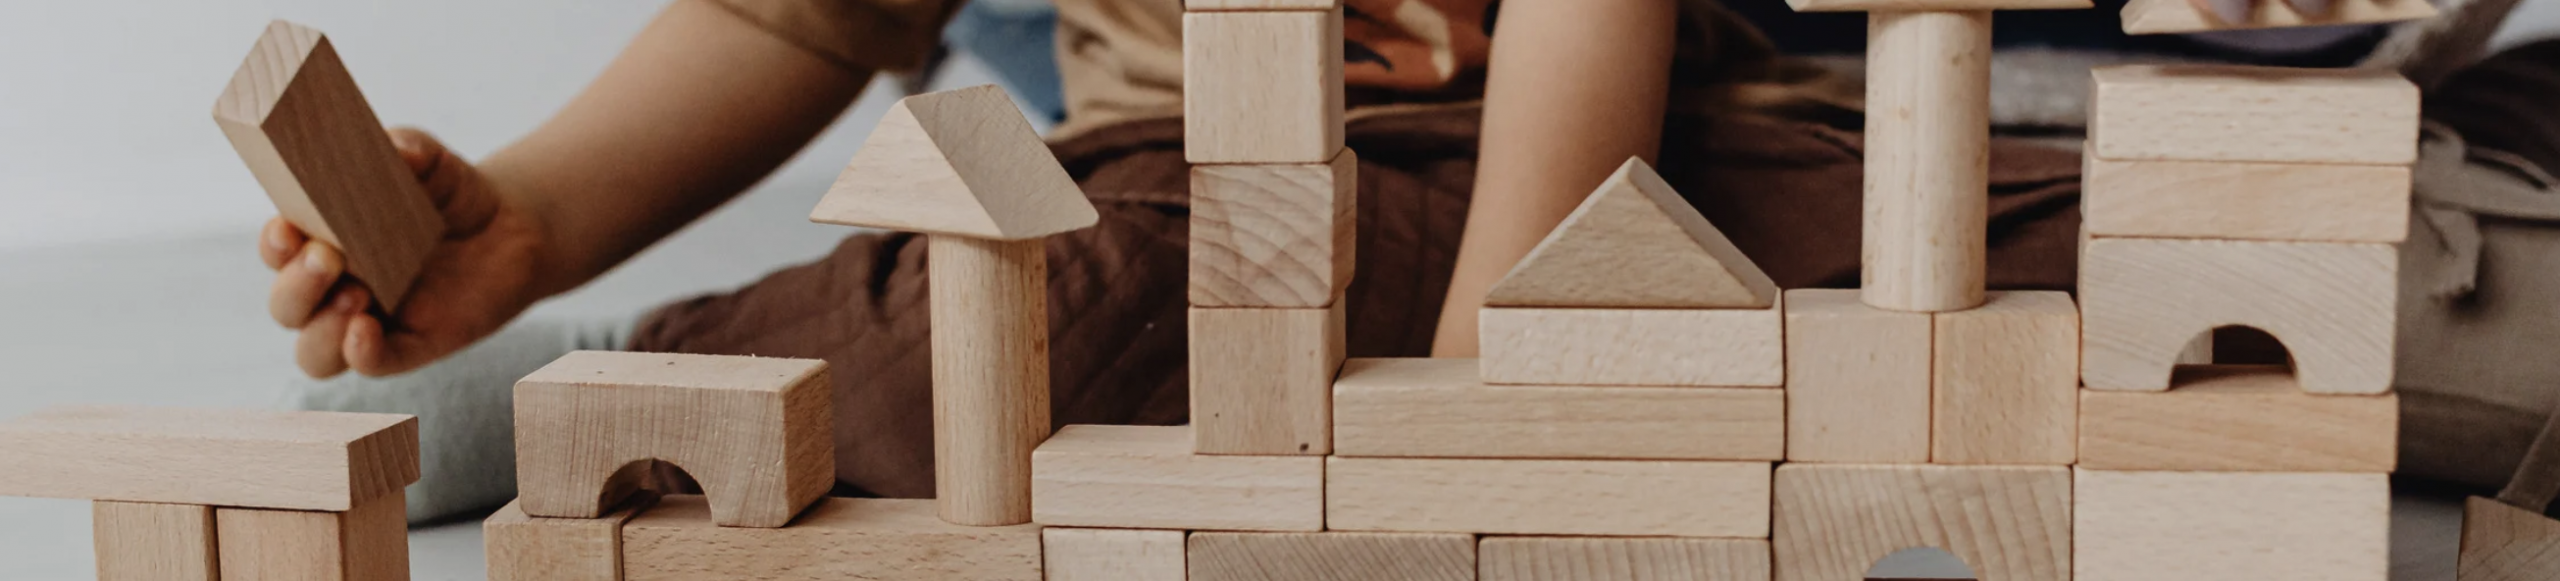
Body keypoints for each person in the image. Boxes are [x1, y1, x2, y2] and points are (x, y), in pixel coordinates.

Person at [263, 0, 2556, 523]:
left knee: (2356, 296)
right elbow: (799, 17)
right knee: (1033, 350)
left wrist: (1505, 368)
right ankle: (637, 358)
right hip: (1207, 167)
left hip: (1703, 134)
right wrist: (536, 209)